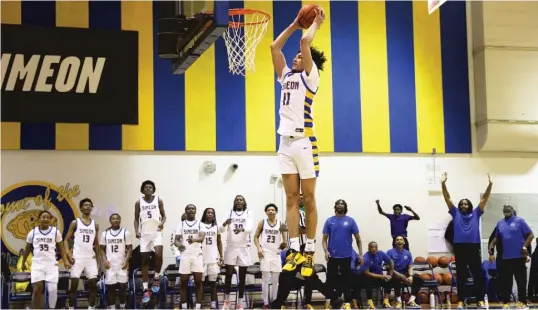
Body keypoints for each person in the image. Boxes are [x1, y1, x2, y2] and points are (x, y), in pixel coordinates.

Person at [270, 5, 328, 277]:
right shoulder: (286, 77)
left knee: (308, 199)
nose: (295, 57)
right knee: (291, 198)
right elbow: (273, 47)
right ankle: (294, 250)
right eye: (294, 56)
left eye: (299, 57)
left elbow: (305, 41)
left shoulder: (310, 77)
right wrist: (294, 23)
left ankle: (309, 251)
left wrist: (315, 23)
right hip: (284, 143)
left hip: (305, 142)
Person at [441, 172, 492, 309]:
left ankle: (480, 300)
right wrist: (443, 183)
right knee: (462, 276)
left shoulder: (476, 213)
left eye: (465, 204)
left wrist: (490, 185)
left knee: (477, 275)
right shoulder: (455, 212)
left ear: (469, 205)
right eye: (461, 204)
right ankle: (460, 301)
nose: (463, 206)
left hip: (473, 247)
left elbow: (484, 199)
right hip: (460, 248)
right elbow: (447, 198)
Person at [21, 211, 71, 309]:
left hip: (51, 264)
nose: (45, 219)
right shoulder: (33, 232)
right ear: (38, 219)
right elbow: (27, 249)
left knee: (52, 289)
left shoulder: (55, 232)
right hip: (37, 264)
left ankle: (51, 308)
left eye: (48, 217)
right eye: (43, 217)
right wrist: (23, 262)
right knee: (37, 288)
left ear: (50, 220)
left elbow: (61, 248)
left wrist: (65, 261)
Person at [488, 204, 534, 310]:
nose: (506, 210)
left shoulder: (520, 221)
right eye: (505, 209)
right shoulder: (500, 223)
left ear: (512, 210)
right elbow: (496, 237)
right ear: (503, 211)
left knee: (521, 281)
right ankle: (506, 303)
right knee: (506, 282)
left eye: (509, 209)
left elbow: (531, 235)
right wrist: (492, 245)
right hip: (505, 258)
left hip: (518, 258)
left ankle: (522, 302)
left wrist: (525, 247)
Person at [322, 199, 363, 310]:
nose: (340, 205)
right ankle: (329, 302)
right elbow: (324, 239)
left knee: (346, 280)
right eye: (338, 204)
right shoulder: (329, 221)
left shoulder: (351, 221)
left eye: (342, 204)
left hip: (346, 256)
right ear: (335, 207)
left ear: (345, 207)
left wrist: (360, 254)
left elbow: (358, 240)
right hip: (333, 257)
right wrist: (326, 251)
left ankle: (348, 302)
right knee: (330, 280)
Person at [134, 180, 167, 304]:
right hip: (144, 234)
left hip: (156, 232)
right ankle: (145, 288)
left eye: (150, 187)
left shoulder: (158, 200)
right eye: (146, 187)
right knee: (145, 260)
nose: (148, 188)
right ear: (142, 190)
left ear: (153, 190)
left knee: (158, 255)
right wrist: (136, 230)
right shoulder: (138, 202)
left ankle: (156, 277)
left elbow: (164, 216)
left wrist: (162, 224)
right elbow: (136, 218)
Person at [64, 198, 100, 310]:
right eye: (85, 205)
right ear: (81, 208)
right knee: (74, 285)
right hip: (77, 257)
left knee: (93, 284)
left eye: (90, 205)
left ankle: (91, 307)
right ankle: (70, 307)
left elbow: (97, 244)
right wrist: (68, 255)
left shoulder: (95, 225)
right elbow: (66, 240)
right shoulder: (75, 222)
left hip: (90, 258)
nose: (88, 207)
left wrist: (99, 262)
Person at [221, 195, 253, 310]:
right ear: (234, 202)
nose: (239, 201)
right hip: (231, 247)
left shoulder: (248, 212)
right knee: (228, 275)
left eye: (241, 200)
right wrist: (224, 223)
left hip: (243, 247)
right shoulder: (229, 212)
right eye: (237, 200)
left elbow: (250, 228)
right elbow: (221, 229)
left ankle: (240, 303)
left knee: (242, 277)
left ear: (244, 202)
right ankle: (227, 301)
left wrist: (242, 229)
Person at [254, 203, 287, 308]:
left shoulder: (281, 224)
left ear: (276, 212)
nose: (271, 211)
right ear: (266, 212)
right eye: (269, 210)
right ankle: (266, 303)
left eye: (273, 210)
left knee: (275, 280)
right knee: (265, 279)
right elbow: (255, 237)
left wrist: (284, 244)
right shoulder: (262, 223)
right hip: (265, 253)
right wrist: (259, 248)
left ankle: (275, 302)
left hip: (276, 253)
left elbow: (285, 240)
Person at [174, 204, 206, 310]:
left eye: (193, 208)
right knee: (183, 282)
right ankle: (184, 307)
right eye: (189, 208)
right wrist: (179, 245)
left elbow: (201, 238)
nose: (191, 210)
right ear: (186, 211)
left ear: (195, 211)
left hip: (197, 254)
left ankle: (197, 307)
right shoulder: (181, 224)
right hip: (185, 255)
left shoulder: (200, 224)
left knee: (198, 282)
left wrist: (194, 240)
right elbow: (176, 240)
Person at [99, 213, 133, 310]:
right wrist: (105, 260)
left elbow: (130, 248)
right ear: (110, 221)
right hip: (110, 265)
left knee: (123, 287)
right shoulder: (105, 234)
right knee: (111, 288)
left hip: (122, 264)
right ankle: (112, 307)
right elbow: (101, 249)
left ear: (120, 220)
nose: (115, 220)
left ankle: (122, 306)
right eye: (113, 218)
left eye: (117, 218)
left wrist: (126, 260)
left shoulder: (125, 232)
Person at [386, 236, 424, 309]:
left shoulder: (408, 253)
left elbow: (410, 267)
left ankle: (411, 301)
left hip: (405, 274)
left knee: (419, 280)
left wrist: (411, 276)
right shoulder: (390, 252)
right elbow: (389, 267)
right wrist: (399, 275)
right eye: (397, 240)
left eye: (401, 240)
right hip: (394, 273)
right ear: (395, 242)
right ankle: (399, 301)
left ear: (404, 242)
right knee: (396, 279)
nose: (399, 241)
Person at [200, 208, 224, 310]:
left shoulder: (216, 227)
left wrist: (221, 256)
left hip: (213, 258)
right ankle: (199, 304)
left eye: (212, 213)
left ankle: (213, 304)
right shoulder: (199, 225)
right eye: (208, 213)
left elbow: (219, 242)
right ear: (205, 214)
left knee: (213, 283)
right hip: (201, 259)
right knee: (199, 283)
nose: (210, 214)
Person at [361, 241, 394, 309]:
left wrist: (390, 273)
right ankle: (370, 303)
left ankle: (385, 302)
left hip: (379, 277)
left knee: (390, 281)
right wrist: (383, 276)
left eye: (375, 247)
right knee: (367, 281)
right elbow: (367, 273)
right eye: (372, 247)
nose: (374, 249)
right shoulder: (366, 257)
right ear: (368, 248)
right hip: (370, 277)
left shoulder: (381, 253)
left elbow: (391, 261)